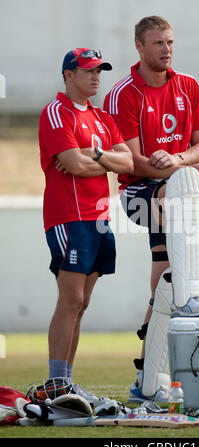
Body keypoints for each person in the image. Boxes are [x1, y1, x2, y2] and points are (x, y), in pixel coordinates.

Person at [104, 16, 199, 403]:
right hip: (137, 194)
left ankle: (147, 376)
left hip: (173, 188)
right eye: (157, 43)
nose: (166, 49)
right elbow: (131, 162)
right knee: (182, 188)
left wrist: (179, 160)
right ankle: (192, 296)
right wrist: (180, 167)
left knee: (165, 274)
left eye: (170, 42)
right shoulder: (125, 93)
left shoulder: (189, 85)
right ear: (139, 47)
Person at [37, 48, 133, 402]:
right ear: (69, 75)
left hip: (100, 218)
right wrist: (99, 160)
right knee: (71, 298)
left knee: (83, 302)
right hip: (69, 216)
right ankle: (56, 383)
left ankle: (66, 382)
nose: (96, 76)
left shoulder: (102, 117)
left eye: (99, 71)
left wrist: (94, 155)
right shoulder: (55, 112)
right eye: (88, 70)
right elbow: (72, 165)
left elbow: (126, 161)